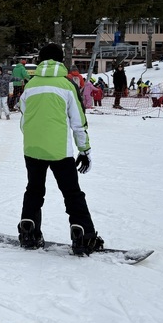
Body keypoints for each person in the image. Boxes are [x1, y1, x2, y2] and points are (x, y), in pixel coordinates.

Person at [17, 43, 103, 256]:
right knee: (72, 193)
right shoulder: (67, 85)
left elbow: (24, 119)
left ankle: (29, 230)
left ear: (40, 60)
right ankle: (83, 234)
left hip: (32, 148)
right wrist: (84, 150)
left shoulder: (31, 85)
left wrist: (35, 138)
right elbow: (78, 121)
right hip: (59, 151)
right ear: (60, 60)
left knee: (34, 190)